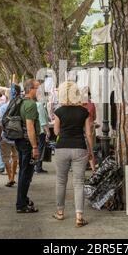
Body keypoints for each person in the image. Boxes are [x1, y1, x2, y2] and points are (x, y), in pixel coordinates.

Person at [53, 81, 94, 227]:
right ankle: (79, 216)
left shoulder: (59, 111)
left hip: (62, 147)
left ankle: (60, 212)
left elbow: (56, 132)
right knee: (79, 183)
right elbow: (89, 134)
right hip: (80, 148)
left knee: (60, 181)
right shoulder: (84, 112)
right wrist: (91, 151)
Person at [14, 79, 41, 213]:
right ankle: (21, 205)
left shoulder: (21, 102)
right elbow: (30, 127)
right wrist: (35, 147)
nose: (39, 90)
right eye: (38, 88)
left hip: (20, 141)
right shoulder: (30, 104)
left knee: (23, 172)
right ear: (31, 89)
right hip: (27, 143)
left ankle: (23, 199)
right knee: (26, 174)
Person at [0, 87, 20, 187]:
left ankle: (10, 177)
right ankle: (13, 177)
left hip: (6, 136)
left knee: (6, 158)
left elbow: (0, 124)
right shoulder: (19, 106)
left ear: (7, 95)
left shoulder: (3, 107)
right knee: (15, 157)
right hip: (17, 136)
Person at [35, 86, 51, 174]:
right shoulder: (40, 105)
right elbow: (42, 120)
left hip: (36, 130)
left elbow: (45, 117)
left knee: (37, 148)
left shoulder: (37, 105)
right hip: (41, 131)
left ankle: (37, 166)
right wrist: (48, 131)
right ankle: (38, 167)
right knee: (40, 148)